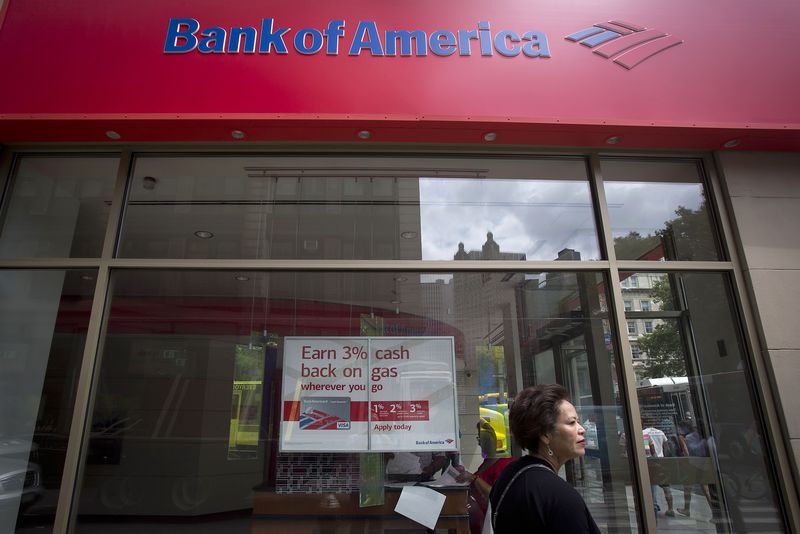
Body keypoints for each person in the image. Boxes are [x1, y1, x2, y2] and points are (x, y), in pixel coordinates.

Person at [488, 384, 601, 533]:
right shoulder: (561, 497)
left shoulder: (509, 474)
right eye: (572, 422)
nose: (582, 429)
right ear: (546, 434)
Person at [643, 423, 676, 517]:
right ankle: (670, 508)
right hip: (660, 460)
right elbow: (666, 447)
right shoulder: (660, 432)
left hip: (650, 460)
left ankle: (653, 504)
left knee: (652, 485)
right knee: (666, 486)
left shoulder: (643, 433)